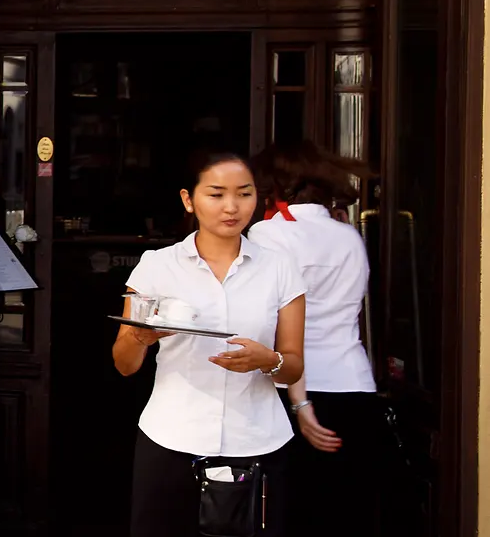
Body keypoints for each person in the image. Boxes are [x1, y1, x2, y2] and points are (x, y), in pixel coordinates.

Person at [112, 151, 307, 537]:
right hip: (171, 438)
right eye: (216, 194)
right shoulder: (157, 265)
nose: (231, 207)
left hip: (257, 440)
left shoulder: (280, 267)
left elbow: (295, 364)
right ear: (189, 199)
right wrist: (140, 336)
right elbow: (124, 364)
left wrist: (267, 360)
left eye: (244, 194)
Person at [249, 140, 390, 535]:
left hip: (296, 389)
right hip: (353, 385)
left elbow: (276, 326)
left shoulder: (268, 235)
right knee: (345, 513)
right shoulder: (348, 236)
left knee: (291, 514)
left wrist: (301, 404)